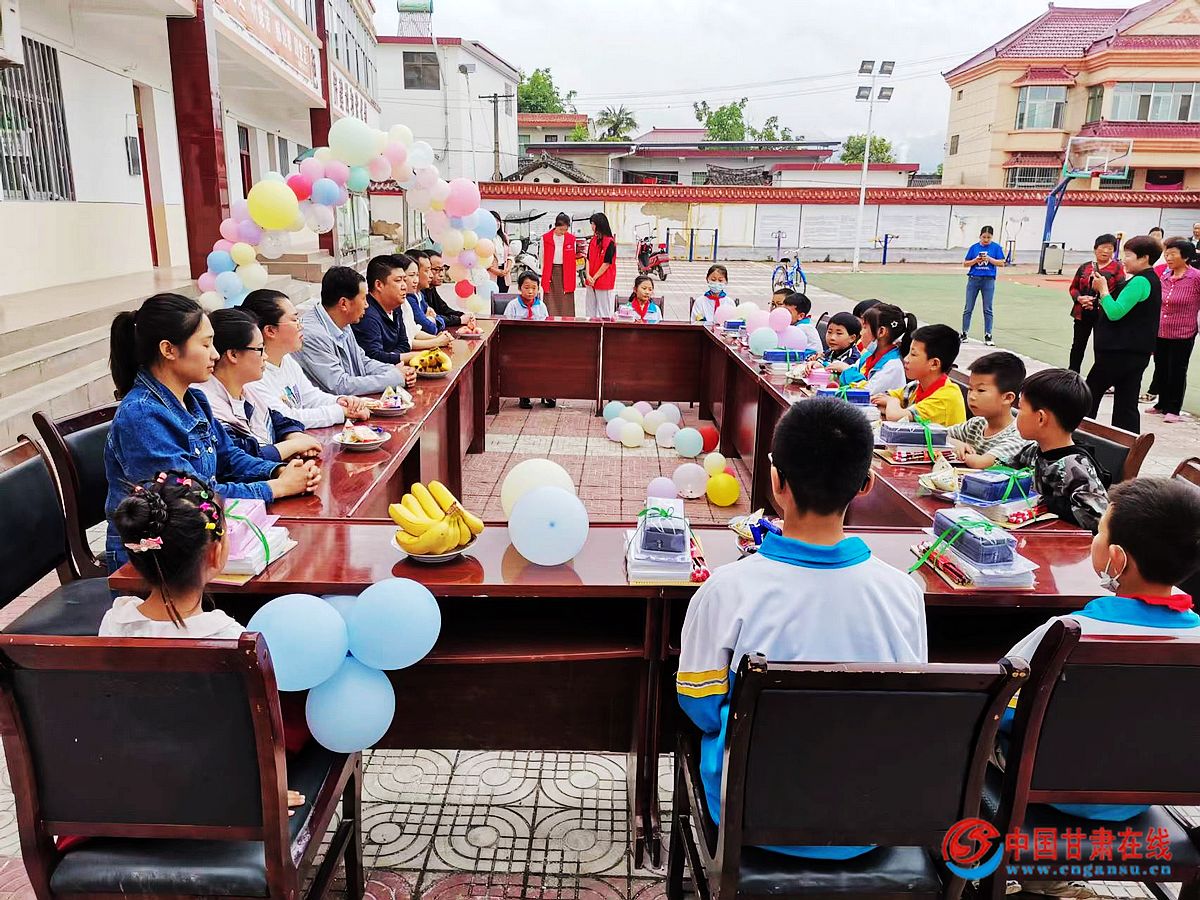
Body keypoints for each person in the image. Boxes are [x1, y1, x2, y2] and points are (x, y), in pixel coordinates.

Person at [677, 397, 926, 860]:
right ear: (867, 484)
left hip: (751, 814)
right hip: (868, 820)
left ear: (775, 480)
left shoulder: (726, 590)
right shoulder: (904, 593)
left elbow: (701, 708)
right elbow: (905, 705)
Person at [1000, 477, 1200, 900]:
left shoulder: (1065, 632)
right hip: (1141, 794)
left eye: (1099, 531)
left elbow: (1001, 710)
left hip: (1047, 792)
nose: (1095, 538)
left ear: (1116, 558)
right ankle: (1047, 882)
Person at [104, 469, 308, 811]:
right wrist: (259, 788)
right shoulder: (231, 639)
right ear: (216, 553)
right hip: (216, 792)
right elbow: (249, 733)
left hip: (140, 787)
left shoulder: (114, 623)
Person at [106, 294, 319, 571]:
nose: (215, 355)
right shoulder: (142, 415)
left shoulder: (194, 400)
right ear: (168, 349)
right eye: (206, 344)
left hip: (199, 542)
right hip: (153, 563)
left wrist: (279, 471)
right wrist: (276, 488)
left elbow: (229, 458)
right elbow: (187, 500)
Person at [198, 308, 321, 463]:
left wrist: (295, 436)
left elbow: (279, 421)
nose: (266, 356)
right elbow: (239, 460)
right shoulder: (206, 404)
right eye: (260, 349)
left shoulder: (249, 391)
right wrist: (293, 446)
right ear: (233, 354)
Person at [996, 368, 1109, 533]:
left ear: (1041, 418)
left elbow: (1098, 516)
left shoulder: (1074, 465)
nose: (1017, 415)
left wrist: (1044, 501)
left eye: (1020, 409)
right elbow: (1002, 471)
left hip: (1061, 544)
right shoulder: (1032, 451)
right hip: (1028, 533)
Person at [241, 289, 371, 430]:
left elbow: (310, 396)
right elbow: (284, 417)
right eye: (294, 320)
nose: (301, 326)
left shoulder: (286, 359)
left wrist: (342, 401)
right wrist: (340, 412)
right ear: (270, 330)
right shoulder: (252, 376)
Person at [297, 266, 417, 396]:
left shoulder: (343, 321)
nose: (367, 305)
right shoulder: (312, 335)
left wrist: (394, 371)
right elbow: (340, 385)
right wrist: (393, 378)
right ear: (344, 304)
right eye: (364, 299)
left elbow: (362, 361)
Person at [1085, 234, 1162, 434]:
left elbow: (1115, 312)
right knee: (1126, 404)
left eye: (1128, 255)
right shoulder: (1152, 280)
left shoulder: (1140, 281)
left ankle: (1079, 435)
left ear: (1144, 258)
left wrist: (1103, 290)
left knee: (1088, 395)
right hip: (1136, 352)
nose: (1123, 260)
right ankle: (1127, 443)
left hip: (1118, 352)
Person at [1146, 237, 1200, 423]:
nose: (1168, 258)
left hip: (1183, 332)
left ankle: (1174, 408)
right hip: (1161, 330)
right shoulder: (1165, 276)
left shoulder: (1195, 278)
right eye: (1167, 254)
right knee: (1161, 367)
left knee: (1177, 370)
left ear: (1185, 257)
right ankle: (1161, 404)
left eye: (1173, 254)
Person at [947, 351, 1032, 468]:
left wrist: (954, 449)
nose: (971, 396)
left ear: (1008, 398)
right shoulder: (976, 423)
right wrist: (956, 444)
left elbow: (981, 463)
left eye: (981, 390)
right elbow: (936, 436)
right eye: (970, 389)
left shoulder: (1017, 435)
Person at [874, 324, 967, 426]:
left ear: (934, 364)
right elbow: (880, 399)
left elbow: (895, 417)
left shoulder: (946, 398)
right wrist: (890, 404)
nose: (906, 359)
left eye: (913, 354)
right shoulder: (915, 387)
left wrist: (892, 402)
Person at [1066, 234, 1123, 374]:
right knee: (1078, 345)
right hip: (1082, 312)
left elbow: (1119, 290)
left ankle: (1100, 378)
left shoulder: (1117, 268)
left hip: (1103, 313)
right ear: (1095, 249)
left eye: (1110, 248)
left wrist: (1098, 301)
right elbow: (1073, 288)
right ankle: (1072, 374)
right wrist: (1079, 298)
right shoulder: (1085, 267)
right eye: (1102, 247)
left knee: (1101, 347)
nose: (1106, 251)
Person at [831, 303, 915, 395]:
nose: (861, 333)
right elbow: (852, 370)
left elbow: (865, 393)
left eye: (864, 327)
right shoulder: (869, 355)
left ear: (881, 332)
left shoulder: (893, 366)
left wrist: (845, 369)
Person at [504, 272, 553, 409]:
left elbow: (547, 325)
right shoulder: (513, 305)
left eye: (534, 288)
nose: (530, 291)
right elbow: (506, 326)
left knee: (549, 360)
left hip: (538, 343)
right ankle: (524, 394)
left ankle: (548, 393)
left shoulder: (541, 306)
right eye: (526, 287)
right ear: (519, 288)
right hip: (519, 345)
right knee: (523, 362)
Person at [960, 225, 1006, 346]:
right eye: (984, 237)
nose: (986, 240)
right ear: (980, 236)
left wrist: (989, 259)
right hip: (974, 279)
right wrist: (976, 260)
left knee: (987, 308)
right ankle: (964, 332)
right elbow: (965, 263)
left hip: (988, 280)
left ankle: (988, 334)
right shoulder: (974, 247)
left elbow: (1001, 263)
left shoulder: (996, 248)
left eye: (988, 237)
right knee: (968, 307)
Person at [403, 250, 452, 339]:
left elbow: (440, 313)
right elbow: (430, 328)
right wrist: (432, 320)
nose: (431, 275)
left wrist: (433, 320)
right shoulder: (409, 298)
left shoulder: (419, 295)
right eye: (427, 270)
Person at [423, 249, 473, 330]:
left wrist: (463, 315)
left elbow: (444, 309)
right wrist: (459, 320)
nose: (441, 275)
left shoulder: (431, 288)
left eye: (442, 269)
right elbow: (431, 319)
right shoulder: (417, 294)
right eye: (436, 270)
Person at [541, 212, 577, 318]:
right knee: (550, 298)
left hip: (566, 271)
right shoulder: (545, 238)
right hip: (551, 271)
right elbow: (542, 257)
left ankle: (567, 322)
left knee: (566, 299)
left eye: (565, 230)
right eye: (561, 229)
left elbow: (574, 257)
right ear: (556, 226)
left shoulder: (571, 239)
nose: (563, 232)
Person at [584, 212, 617, 317]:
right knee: (590, 311)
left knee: (604, 311)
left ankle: (605, 328)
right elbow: (588, 259)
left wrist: (594, 277)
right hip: (591, 280)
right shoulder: (593, 240)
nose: (592, 227)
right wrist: (587, 275)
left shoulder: (610, 242)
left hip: (603, 280)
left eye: (593, 224)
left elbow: (607, 263)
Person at [486, 211, 513, 292]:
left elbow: (510, 255)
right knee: (491, 296)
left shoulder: (504, 237)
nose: (496, 223)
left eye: (498, 221)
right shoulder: (485, 238)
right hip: (491, 273)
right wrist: (494, 270)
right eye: (494, 221)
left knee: (502, 296)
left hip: (504, 273)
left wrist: (507, 269)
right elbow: (481, 259)